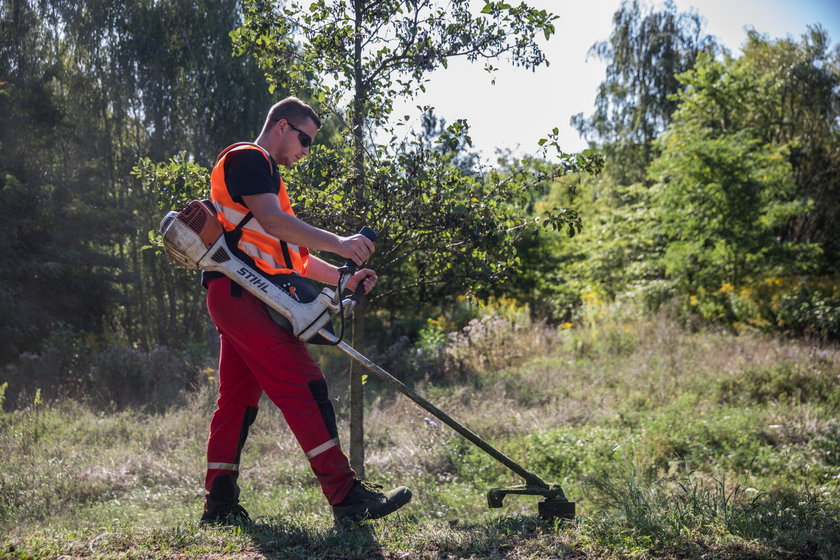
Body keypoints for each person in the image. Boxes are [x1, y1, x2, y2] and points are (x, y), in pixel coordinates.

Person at [199, 96, 411, 525]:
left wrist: (342, 276)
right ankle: (345, 494)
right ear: (281, 126)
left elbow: (288, 253)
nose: (306, 151)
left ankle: (219, 506)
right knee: (306, 387)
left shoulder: (268, 180)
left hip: (240, 295)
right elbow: (276, 225)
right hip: (245, 297)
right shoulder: (248, 158)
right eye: (304, 140)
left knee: (237, 402)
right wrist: (341, 241)